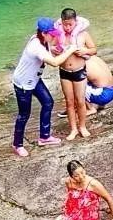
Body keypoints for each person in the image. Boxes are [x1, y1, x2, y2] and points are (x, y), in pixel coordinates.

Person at [11, 18, 79, 158]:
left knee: (48, 102)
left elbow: (48, 52)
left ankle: (44, 136)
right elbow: (54, 63)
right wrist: (71, 50)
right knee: (24, 115)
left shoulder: (41, 40)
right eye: (51, 34)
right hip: (24, 83)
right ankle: (17, 144)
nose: (53, 36)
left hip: (34, 79)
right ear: (43, 33)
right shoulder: (35, 46)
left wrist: (55, 49)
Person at [56, 7, 97, 141]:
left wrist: (85, 51)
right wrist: (55, 52)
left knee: (80, 101)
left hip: (79, 71)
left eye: (70, 24)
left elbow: (94, 49)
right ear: (61, 22)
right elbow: (51, 50)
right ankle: (73, 129)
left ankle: (82, 126)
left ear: (75, 22)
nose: (67, 27)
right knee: (69, 102)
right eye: (65, 24)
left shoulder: (83, 34)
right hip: (64, 72)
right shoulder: (58, 35)